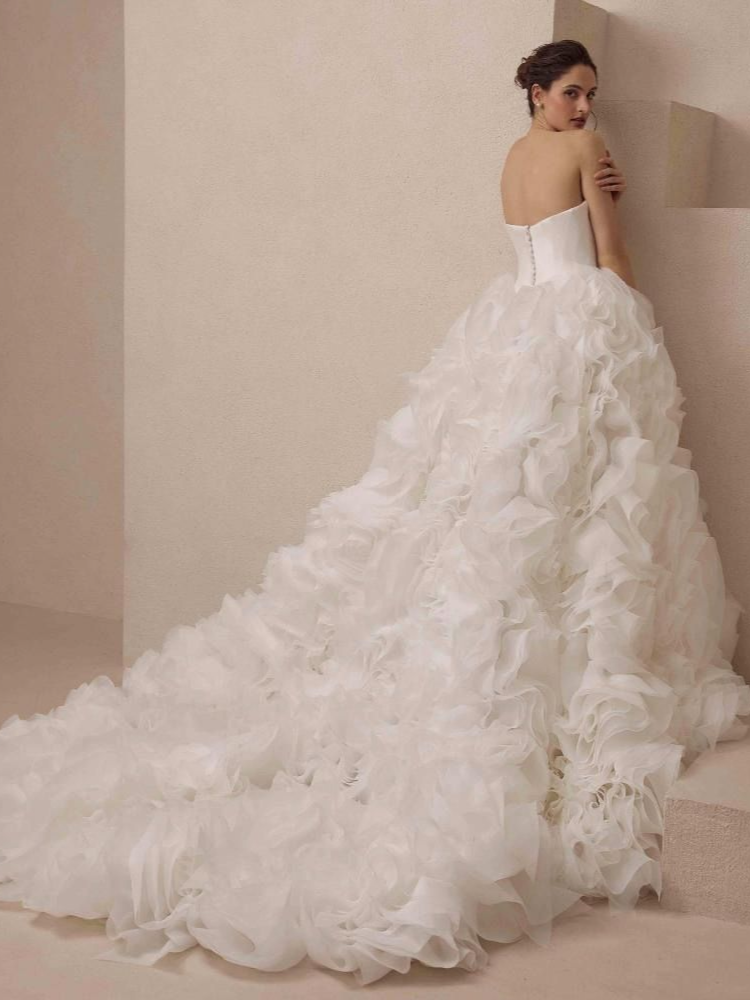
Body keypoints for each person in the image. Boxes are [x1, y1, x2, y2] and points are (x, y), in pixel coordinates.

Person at [1, 38, 749, 988]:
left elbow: (531, 249)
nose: (583, 108)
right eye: (569, 93)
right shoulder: (584, 155)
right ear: (534, 92)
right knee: (584, 509)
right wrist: (637, 312)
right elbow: (609, 257)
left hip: (513, 328)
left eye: (589, 95)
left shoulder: (513, 159)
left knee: (496, 502)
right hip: (578, 327)